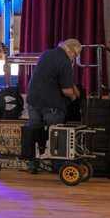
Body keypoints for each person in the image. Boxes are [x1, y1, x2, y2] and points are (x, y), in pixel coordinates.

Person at [24, 38, 82, 172]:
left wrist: (72, 86)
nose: (75, 58)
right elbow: (66, 90)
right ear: (71, 51)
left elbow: (55, 78)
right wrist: (75, 98)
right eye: (76, 55)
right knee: (56, 133)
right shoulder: (65, 62)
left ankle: (33, 163)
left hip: (33, 99)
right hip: (52, 103)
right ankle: (58, 166)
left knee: (35, 131)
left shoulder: (46, 54)